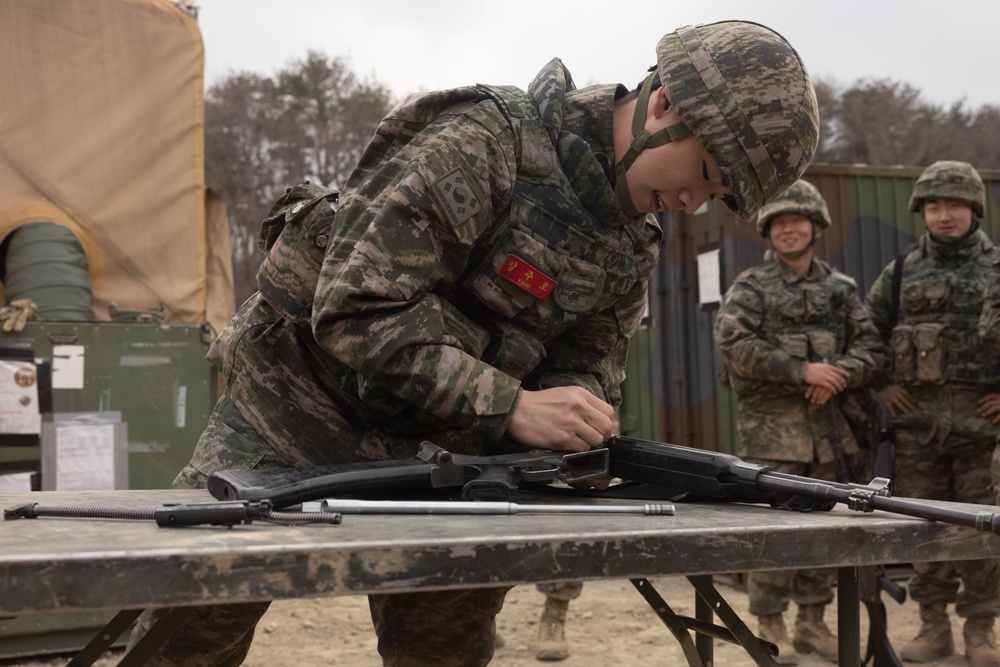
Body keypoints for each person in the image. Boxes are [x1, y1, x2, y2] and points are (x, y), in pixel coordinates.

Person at [126, 20, 820, 667]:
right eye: (702, 173)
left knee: (445, 651)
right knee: (189, 630)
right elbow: (354, 311)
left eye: (717, 194)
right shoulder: (485, 141)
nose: (694, 202)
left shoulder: (632, 239)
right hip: (295, 415)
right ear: (663, 105)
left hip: (449, 457)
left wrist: (578, 432)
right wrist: (514, 405)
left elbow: (585, 368)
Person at [713, 179, 883, 664]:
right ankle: (771, 627)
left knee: (825, 533)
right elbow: (734, 345)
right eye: (780, 222)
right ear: (769, 231)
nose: (789, 229)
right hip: (775, 437)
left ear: (816, 227)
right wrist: (801, 370)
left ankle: (812, 622)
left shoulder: (841, 289)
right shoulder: (751, 288)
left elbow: (873, 351)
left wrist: (839, 374)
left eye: (798, 220)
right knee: (773, 533)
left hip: (831, 436)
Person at [865, 160, 1000, 667]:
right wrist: (882, 382)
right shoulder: (900, 273)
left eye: (956, 205)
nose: (945, 215)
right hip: (919, 430)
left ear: (975, 210)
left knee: (982, 530)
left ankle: (982, 631)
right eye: (935, 206)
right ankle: (933, 627)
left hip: (982, 431)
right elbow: (866, 331)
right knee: (925, 529)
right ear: (922, 211)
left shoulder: (996, 269)